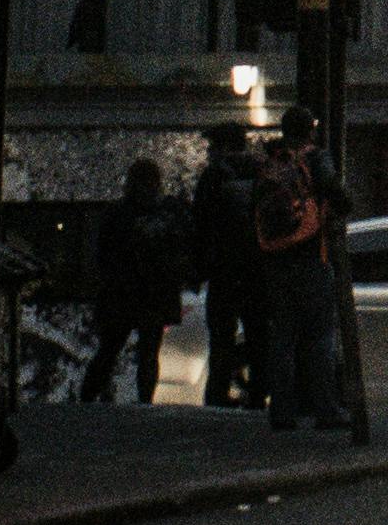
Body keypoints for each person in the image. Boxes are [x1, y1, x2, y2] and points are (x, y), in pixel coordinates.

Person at [252, 109, 349, 431]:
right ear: (310, 130)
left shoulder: (271, 161)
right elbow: (337, 194)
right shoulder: (315, 157)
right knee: (320, 336)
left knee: (282, 338)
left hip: (276, 262)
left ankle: (282, 411)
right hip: (310, 258)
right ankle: (326, 408)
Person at [85, 157, 190, 404]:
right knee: (149, 353)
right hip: (155, 294)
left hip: (122, 293)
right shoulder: (167, 214)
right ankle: (145, 400)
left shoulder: (118, 214)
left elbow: (104, 255)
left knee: (110, 349)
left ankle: (87, 397)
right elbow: (180, 249)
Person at [192, 126, 262, 407]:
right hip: (256, 268)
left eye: (212, 147)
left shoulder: (214, 176)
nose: (209, 153)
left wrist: (198, 267)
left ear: (222, 147)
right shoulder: (261, 172)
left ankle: (218, 394)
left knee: (221, 336)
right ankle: (258, 394)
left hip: (223, 268)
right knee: (257, 333)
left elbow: (200, 222)